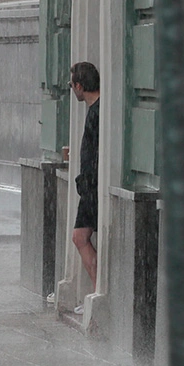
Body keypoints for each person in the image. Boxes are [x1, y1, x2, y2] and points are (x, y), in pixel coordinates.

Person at [69, 61, 101, 298]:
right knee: (80, 237)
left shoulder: (97, 112)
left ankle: (99, 294)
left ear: (79, 86)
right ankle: (97, 292)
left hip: (93, 187)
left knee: (80, 237)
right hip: (91, 186)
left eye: (71, 85)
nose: (72, 89)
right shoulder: (95, 110)